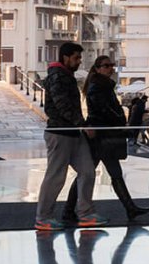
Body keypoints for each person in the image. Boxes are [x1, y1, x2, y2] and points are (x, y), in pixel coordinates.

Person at [63, 56, 149, 222]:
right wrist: (119, 120)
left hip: (102, 136)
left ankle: (129, 208)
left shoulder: (101, 85)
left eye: (112, 65)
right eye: (106, 66)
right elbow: (104, 110)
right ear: (97, 68)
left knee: (105, 173)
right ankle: (69, 210)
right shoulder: (98, 87)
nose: (110, 68)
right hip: (101, 136)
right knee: (92, 174)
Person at [34, 41, 105, 232]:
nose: (79, 61)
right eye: (76, 57)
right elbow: (61, 104)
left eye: (80, 58)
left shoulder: (66, 76)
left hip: (73, 133)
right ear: (65, 57)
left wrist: (80, 126)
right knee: (56, 176)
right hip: (60, 133)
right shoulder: (57, 77)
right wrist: (82, 124)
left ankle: (86, 214)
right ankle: (43, 218)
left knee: (88, 171)